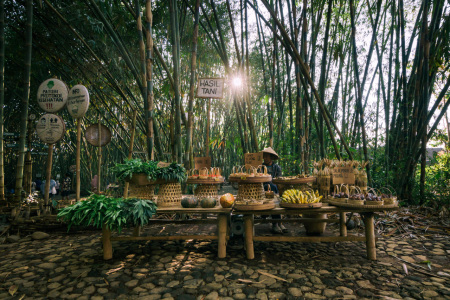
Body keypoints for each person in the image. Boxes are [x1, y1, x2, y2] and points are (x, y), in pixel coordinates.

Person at [261, 147, 287, 234]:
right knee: (270, 186)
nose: (265, 158)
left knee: (273, 188)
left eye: (267, 157)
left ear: (271, 157)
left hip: (275, 189)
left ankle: (278, 222)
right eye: (264, 156)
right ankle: (276, 223)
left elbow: (278, 179)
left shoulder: (276, 167)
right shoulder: (260, 167)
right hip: (263, 189)